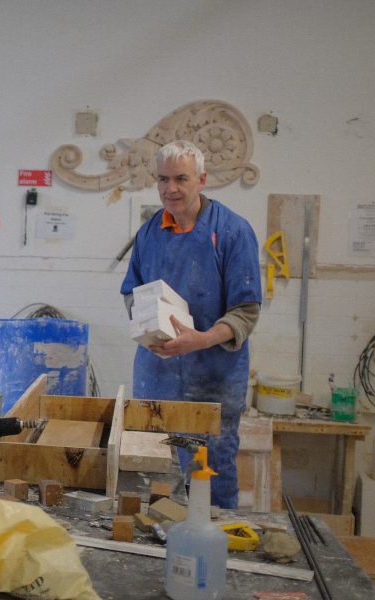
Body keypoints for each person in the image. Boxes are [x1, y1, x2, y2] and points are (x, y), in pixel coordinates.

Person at [120, 139, 261, 509]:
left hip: (213, 379)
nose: (171, 189)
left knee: (209, 479)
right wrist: (145, 329)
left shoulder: (232, 231)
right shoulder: (150, 233)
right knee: (153, 476)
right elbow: (131, 294)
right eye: (163, 179)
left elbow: (245, 312)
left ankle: (213, 549)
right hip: (156, 374)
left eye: (181, 178)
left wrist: (201, 339)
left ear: (201, 179)